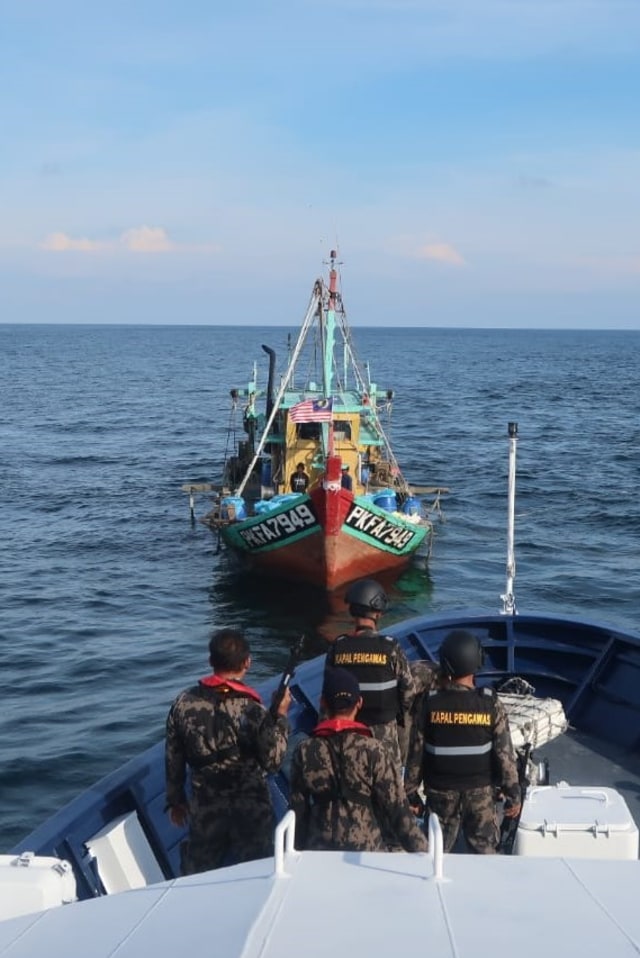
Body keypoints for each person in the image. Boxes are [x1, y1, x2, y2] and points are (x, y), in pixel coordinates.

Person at [165, 628, 291, 874]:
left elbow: (173, 756)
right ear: (247, 663)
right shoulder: (252, 709)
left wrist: (175, 801)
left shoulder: (183, 703)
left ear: (211, 661)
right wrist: (281, 717)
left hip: (206, 806)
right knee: (259, 872)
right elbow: (274, 760)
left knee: (199, 875)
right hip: (250, 807)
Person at [404, 629, 521, 854]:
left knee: (435, 852)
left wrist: (410, 793)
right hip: (480, 796)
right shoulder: (490, 704)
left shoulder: (429, 704)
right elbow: (505, 757)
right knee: (485, 854)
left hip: (440, 795)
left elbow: (416, 754)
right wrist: (513, 795)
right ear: (477, 661)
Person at [289, 668, 427, 853]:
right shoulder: (374, 750)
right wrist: (425, 854)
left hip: (319, 850)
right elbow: (398, 810)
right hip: (366, 849)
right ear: (359, 703)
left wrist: (295, 853)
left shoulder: (304, 751)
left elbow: (298, 810)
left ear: (323, 702)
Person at [325, 578, 414, 769]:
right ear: (379, 613)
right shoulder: (390, 647)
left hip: (347, 738)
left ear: (351, 611)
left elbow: (327, 695)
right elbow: (408, 693)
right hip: (384, 738)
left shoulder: (337, 647)